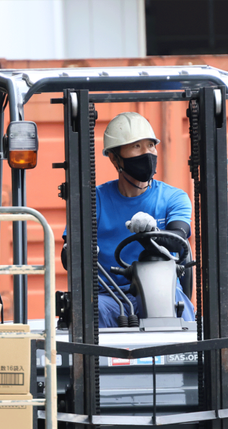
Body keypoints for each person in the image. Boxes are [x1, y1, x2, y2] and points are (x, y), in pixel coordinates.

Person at [64, 111, 195, 326]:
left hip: (162, 291)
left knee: (168, 305)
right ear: (115, 158)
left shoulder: (174, 197)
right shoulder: (93, 200)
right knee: (88, 309)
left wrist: (153, 234)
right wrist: (78, 251)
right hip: (109, 296)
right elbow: (68, 253)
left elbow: (179, 239)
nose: (147, 153)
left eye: (151, 145)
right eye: (136, 146)